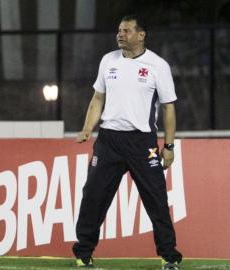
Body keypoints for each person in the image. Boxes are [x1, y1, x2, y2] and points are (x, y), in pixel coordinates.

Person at [72, 14, 182, 270]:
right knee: (93, 197)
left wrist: (169, 146)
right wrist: (88, 128)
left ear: (141, 35)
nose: (120, 34)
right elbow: (98, 98)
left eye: (127, 31)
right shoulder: (108, 61)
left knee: (156, 200)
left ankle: (169, 257)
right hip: (108, 140)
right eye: (119, 30)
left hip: (142, 143)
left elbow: (168, 108)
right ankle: (83, 254)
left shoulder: (157, 65)